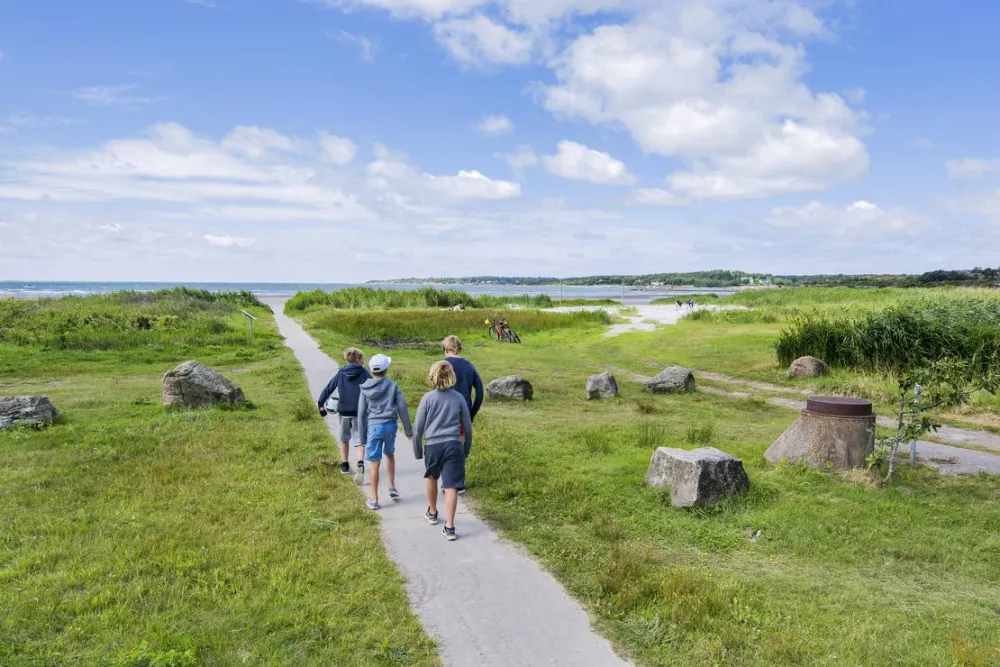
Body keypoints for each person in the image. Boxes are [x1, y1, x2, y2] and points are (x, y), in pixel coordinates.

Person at [412, 360, 472, 542]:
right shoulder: (459, 398)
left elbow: (418, 429)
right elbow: (467, 427)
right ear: (452, 377)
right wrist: (465, 449)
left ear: (432, 376)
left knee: (431, 477)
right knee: (451, 485)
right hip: (454, 445)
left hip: (433, 445)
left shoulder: (427, 399)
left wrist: (417, 451)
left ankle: (432, 512)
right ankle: (450, 526)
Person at [358, 354, 413, 510]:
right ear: (386, 369)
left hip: (374, 427)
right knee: (389, 454)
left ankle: (374, 498)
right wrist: (408, 430)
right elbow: (402, 407)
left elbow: (361, 413)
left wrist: (362, 436)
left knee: (374, 463)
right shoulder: (393, 386)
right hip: (390, 425)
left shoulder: (364, 388)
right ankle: (392, 486)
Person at [317, 348, 371, 481]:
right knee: (360, 441)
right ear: (358, 359)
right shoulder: (364, 372)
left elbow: (329, 388)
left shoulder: (341, 373)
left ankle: (345, 465)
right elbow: (373, 387)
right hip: (359, 411)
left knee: (344, 439)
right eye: (362, 358)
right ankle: (360, 463)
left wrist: (320, 404)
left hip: (344, 411)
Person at [441, 335, 482, 495]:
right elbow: (480, 391)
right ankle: (459, 483)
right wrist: (472, 412)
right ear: (459, 348)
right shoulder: (469, 366)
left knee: (445, 445)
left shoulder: (442, 365)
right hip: (462, 413)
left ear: (445, 349)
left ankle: (446, 483)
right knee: (459, 447)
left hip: (443, 413)